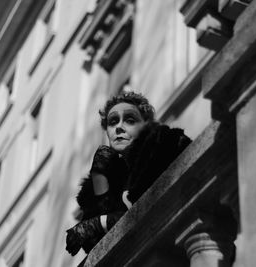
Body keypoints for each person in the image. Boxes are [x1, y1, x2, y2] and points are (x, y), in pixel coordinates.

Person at [65, 91, 191, 257]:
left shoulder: (166, 144)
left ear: (145, 125)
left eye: (130, 120)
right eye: (113, 122)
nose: (119, 127)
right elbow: (92, 244)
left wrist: (100, 222)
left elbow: (153, 207)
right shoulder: (114, 177)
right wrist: (99, 175)